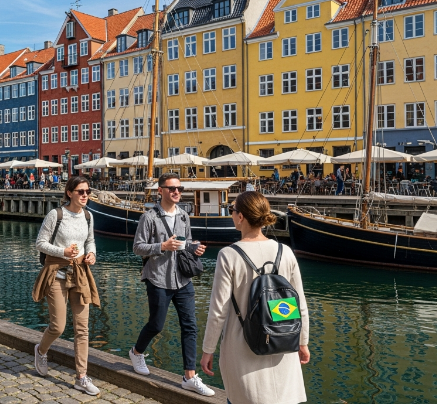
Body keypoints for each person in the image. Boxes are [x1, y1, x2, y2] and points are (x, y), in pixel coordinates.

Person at [201, 191, 310, 404]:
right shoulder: (285, 252)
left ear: (241, 217)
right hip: (283, 341)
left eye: (232, 210)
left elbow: (218, 311)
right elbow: (300, 304)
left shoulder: (229, 255)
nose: (232, 214)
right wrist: (303, 341)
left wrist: (208, 350)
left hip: (242, 347)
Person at [129, 173, 214, 396]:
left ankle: (189, 376)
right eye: (171, 188)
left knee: (190, 325)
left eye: (179, 188)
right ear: (160, 191)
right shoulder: (149, 217)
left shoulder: (184, 216)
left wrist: (194, 247)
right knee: (156, 325)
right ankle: (137, 352)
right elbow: (137, 247)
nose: (177, 192)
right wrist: (162, 246)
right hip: (158, 278)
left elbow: (185, 243)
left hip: (182, 278)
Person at [32, 176, 100, 395]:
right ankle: (41, 351)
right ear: (69, 193)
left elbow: (90, 240)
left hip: (80, 274)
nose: (85, 196)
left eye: (87, 191)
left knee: (82, 328)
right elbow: (40, 243)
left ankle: (81, 376)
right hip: (57, 275)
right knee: (58, 326)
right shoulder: (56, 215)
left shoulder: (88, 216)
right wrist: (63, 252)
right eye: (80, 192)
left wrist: (91, 254)